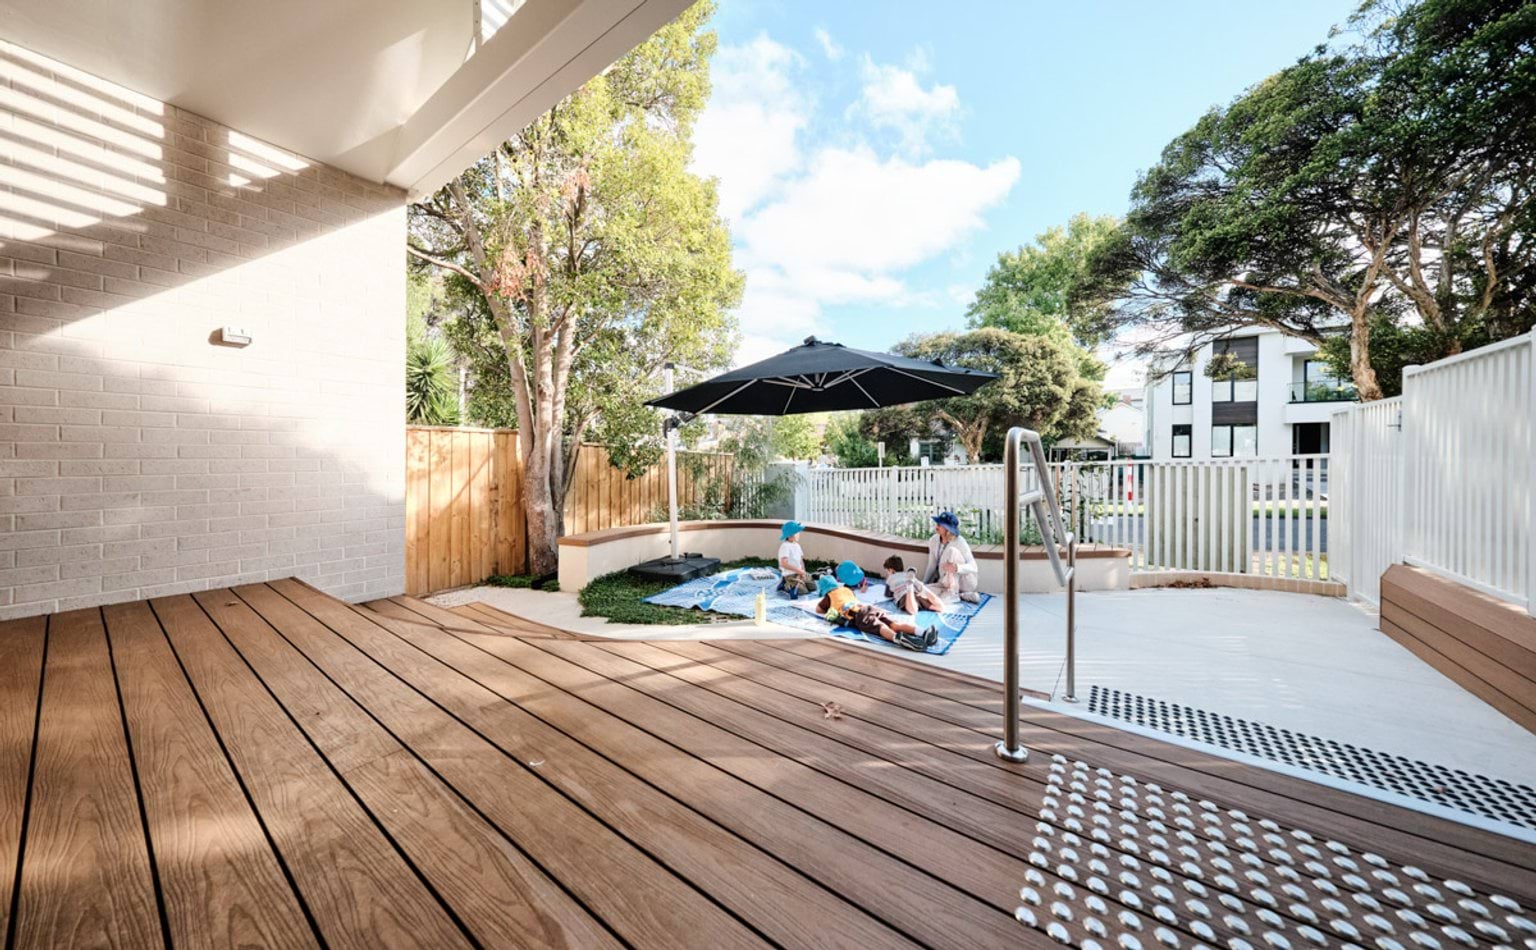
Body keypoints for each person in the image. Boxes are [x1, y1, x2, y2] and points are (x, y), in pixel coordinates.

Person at [815, 575, 938, 652]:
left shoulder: (828, 596)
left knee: (880, 627)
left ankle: (898, 638)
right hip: (869, 608)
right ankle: (923, 631)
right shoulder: (846, 589)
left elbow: (818, 610)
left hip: (857, 615)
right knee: (894, 624)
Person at [923, 511, 980, 603]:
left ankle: (953, 593)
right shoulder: (933, 540)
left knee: (952, 551)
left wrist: (957, 568)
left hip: (965, 582)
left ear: (948, 529)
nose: (937, 525)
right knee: (922, 590)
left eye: (940, 524)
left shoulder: (960, 542)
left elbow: (974, 567)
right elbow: (932, 565)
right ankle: (962, 596)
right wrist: (924, 583)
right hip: (945, 581)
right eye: (937, 522)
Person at [777, 521, 815, 598]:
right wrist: (798, 571)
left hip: (799, 573)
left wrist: (803, 572)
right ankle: (785, 584)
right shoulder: (785, 546)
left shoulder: (797, 545)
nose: (799, 534)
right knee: (802, 591)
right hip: (790, 574)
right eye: (797, 532)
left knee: (813, 587)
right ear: (790, 535)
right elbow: (783, 563)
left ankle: (798, 582)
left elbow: (801, 560)